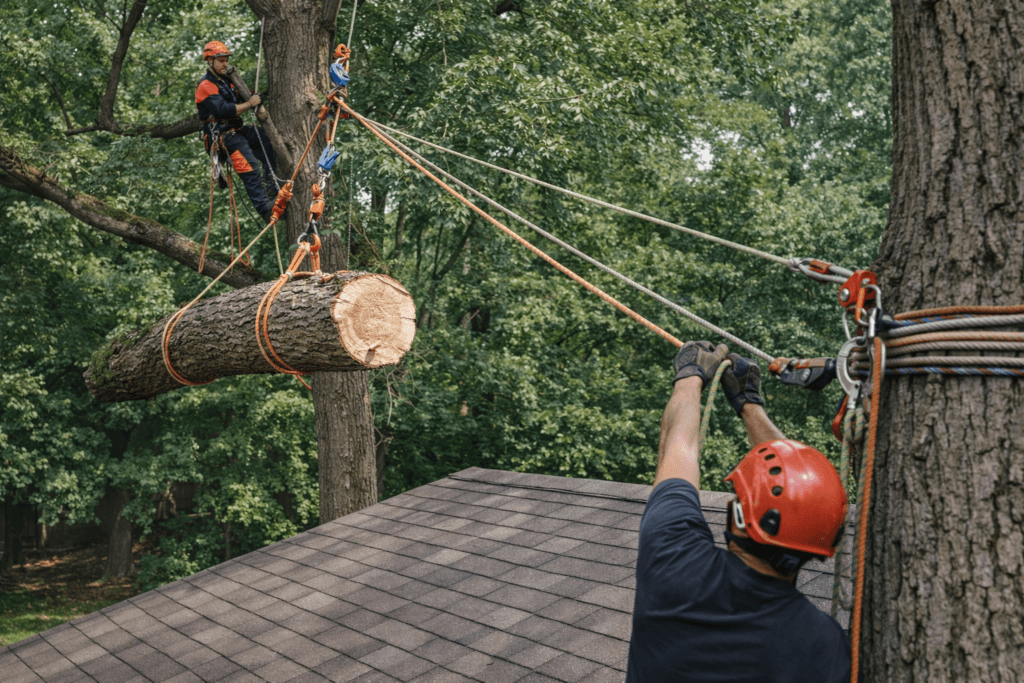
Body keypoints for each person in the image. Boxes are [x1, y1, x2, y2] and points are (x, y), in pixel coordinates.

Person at [626, 341, 851, 683]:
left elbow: (678, 446)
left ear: (741, 519)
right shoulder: (826, 647)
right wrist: (749, 405)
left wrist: (690, 377)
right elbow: (799, 482)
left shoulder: (676, 562)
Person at [195, 40, 278, 222]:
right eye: (221, 60)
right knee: (250, 166)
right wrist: (249, 104)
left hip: (237, 129)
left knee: (266, 138)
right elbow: (224, 110)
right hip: (223, 136)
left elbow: (247, 94)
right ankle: (264, 209)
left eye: (226, 60)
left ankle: (273, 183)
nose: (225, 64)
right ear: (210, 61)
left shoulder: (228, 81)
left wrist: (253, 96)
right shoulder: (206, 85)